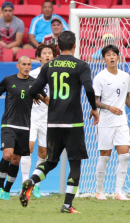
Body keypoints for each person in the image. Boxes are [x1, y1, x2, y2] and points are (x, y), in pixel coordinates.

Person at [22, 30, 99, 214]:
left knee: (50, 161)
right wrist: (94, 108)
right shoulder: (81, 65)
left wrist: (44, 98)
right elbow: (88, 87)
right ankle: (67, 205)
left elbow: (33, 90)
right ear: (75, 46)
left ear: (57, 47)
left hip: (53, 122)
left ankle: (31, 181)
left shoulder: (49, 66)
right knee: (75, 163)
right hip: (73, 123)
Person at [0, 57, 47, 200]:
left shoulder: (34, 84)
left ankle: (6, 191)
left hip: (24, 127)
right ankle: (1, 187)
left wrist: (60, 111)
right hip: (8, 124)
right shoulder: (8, 80)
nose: (27, 67)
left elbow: (46, 99)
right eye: (24, 64)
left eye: (29, 65)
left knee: (15, 160)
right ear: (18, 66)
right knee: (7, 155)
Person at [93, 45, 130, 201]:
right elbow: (95, 101)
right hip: (105, 122)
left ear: (118, 57)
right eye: (108, 55)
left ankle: (118, 192)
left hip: (121, 122)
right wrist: (109, 107)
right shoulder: (100, 77)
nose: (111, 57)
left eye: (114, 55)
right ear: (104, 58)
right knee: (105, 157)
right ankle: (99, 190)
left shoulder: (125, 76)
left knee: (124, 155)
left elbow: (127, 98)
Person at [24, 43, 57, 199]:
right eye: (44, 53)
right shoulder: (33, 74)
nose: (47, 55)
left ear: (54, 56)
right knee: (28, 148)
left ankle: (35, 186)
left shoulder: (57, 74)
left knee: (43, 152)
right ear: (39, 56)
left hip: (48, 119)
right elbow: (27, 92)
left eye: (50, 52)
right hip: (32, 116)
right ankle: (25, 183)